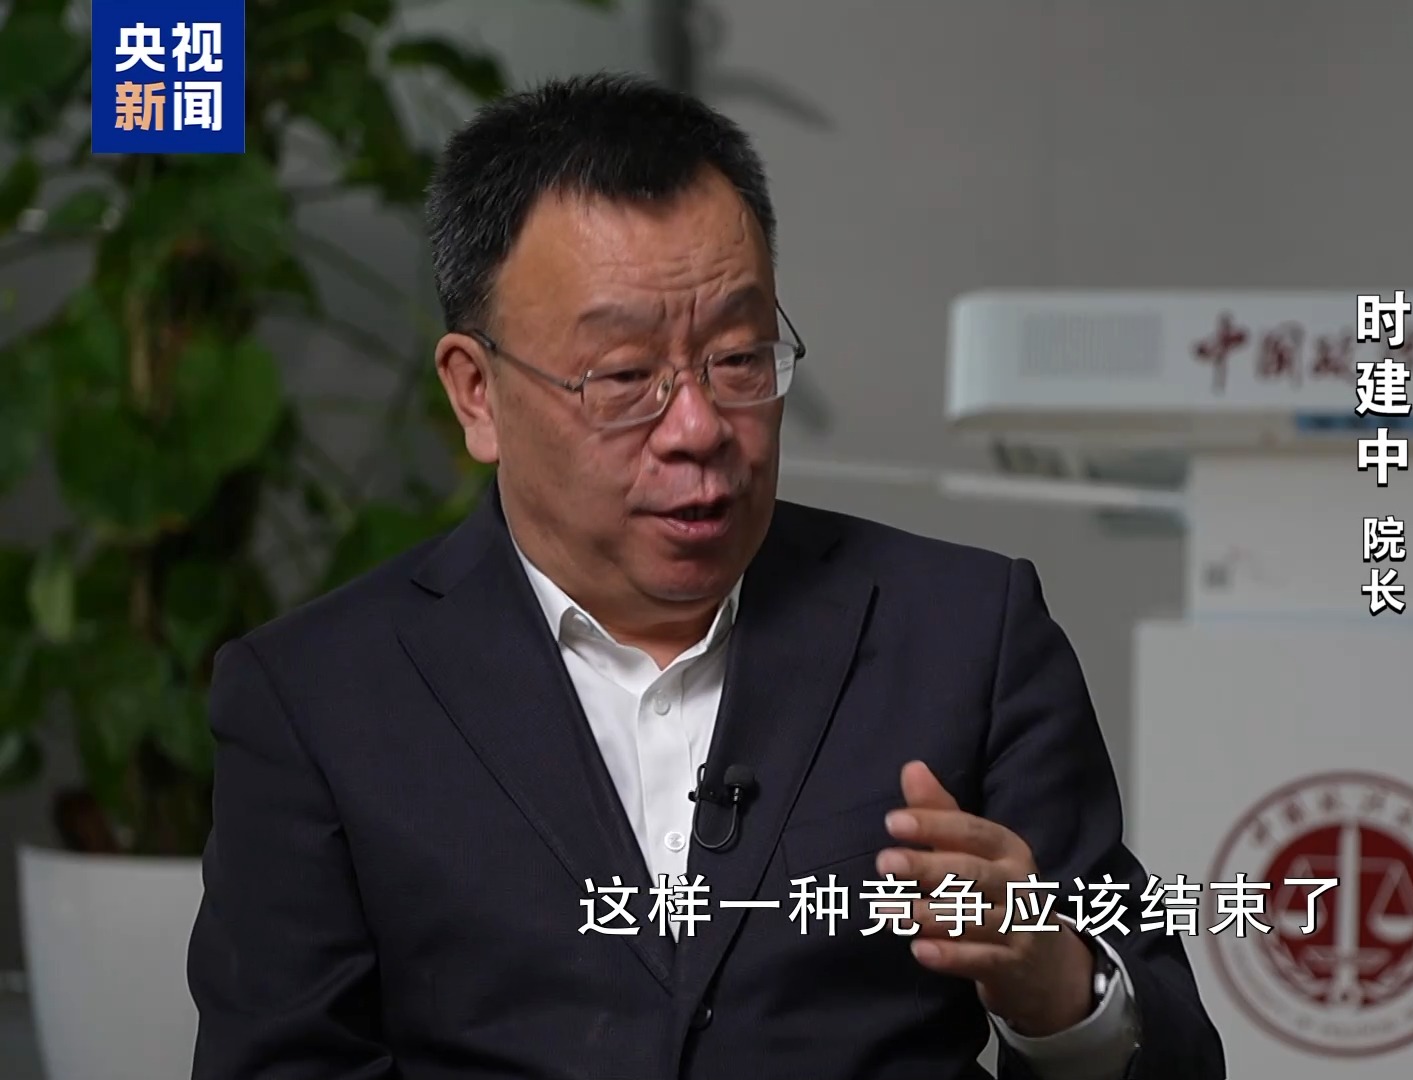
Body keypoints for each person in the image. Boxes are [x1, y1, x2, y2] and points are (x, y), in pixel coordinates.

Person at [186, 73, 1225, 1080]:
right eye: (624, 376)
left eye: (738, 358)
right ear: (476, 394)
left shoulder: (966, 636)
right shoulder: (317, 699)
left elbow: (1178, 1051)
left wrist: (1062, 992)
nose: (698, 427)